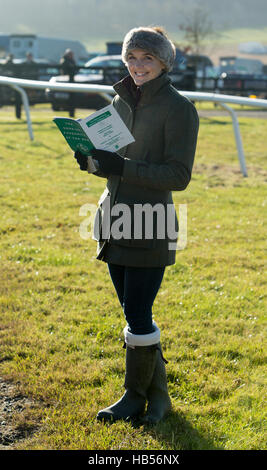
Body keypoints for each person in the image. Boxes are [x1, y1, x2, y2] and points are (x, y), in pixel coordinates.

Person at [74, 26, 199, 424]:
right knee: (133, 314)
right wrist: (93, 163)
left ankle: (134, 397)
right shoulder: (119, 100)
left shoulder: (180, 108)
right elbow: (115, 165)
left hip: (149, 223)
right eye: (131, 57)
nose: (138, 65)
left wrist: (120, 166)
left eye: (146, 58)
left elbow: (177, 175)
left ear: (164, 62)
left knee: (139, 313)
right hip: (113, 220)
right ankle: (157, 398)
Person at [59, 48, 76, 117]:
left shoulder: (71, 60)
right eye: (70, 54)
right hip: (65, 81)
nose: (71, 55)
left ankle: (71, 111)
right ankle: (69, 110)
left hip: (71, 81)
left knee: (71, 97)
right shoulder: (64, 61)